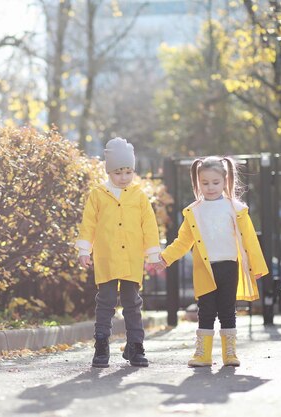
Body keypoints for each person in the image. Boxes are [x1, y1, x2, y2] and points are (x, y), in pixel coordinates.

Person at [154, 156, 268, 367]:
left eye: (215, 182)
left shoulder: (235, 209)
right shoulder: (194, 212)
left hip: (229, 266)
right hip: (204, 268)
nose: (210, 187)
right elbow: (183, 241)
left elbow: (250, 239)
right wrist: (165, 258)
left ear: (225, 181)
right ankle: (203, 354)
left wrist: (257, 266)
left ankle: (230, 353)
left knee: (227, 308)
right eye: (204, 183)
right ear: (198, 183)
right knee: (205, 309)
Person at [76, 137, 162, 368]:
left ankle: (135, 346)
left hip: (132, 259)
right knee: (105, 302)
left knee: (132, 303)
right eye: (118, 173)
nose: (123, 178)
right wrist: (85, 249)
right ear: (109, 172)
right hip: (106, 258)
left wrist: (153, 254)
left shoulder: (139, 196)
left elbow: (149, 226)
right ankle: (101, 345)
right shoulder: (98, 195)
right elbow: (89, 224)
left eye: (127, 172)